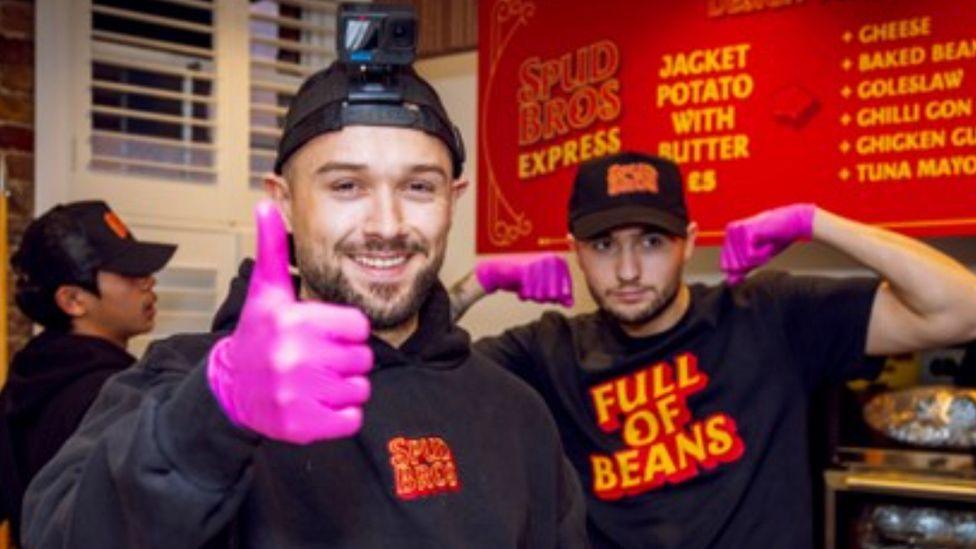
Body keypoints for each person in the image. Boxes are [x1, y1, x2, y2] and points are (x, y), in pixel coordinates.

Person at [20, 53, 588, 548]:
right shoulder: (180, 383)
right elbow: (60, 534)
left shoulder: (515, 413)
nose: (387, 225)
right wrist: (209, 422)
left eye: (419, 186)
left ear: (453, 199)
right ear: (285, 203)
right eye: (346, 186)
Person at [451, 151, 976, 548]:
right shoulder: (547, 352)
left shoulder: (769, 315)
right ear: (574, 253)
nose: (629, 270)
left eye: (652, 242)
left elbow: (962, 309)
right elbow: (403, 370)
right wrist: (478, 281)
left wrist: (819, 222)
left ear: (688, 241)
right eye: (604, 245)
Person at [0, 201, 176, 544]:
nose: (148, 281)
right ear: (73, 300)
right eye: (129, 272)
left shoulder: (32, 375)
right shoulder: (109, 393)